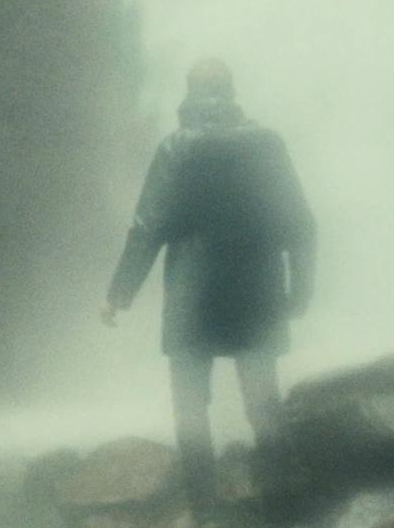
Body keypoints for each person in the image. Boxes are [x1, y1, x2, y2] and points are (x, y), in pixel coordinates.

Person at [102, 57, 316, 519]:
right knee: (263, 404)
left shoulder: (176, 148)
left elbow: (147, 227)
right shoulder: (268, 145)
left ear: (189, 93)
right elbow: (300, 224)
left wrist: (119, 293)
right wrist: (300, 291)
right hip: (257, 293)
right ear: (232, 91)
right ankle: (282, 512)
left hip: (191, 295)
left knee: (191, 408)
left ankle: (205, 511)